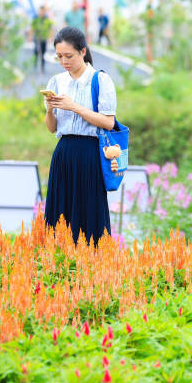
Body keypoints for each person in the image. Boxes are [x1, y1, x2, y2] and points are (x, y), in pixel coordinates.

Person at [43, 27, 117, 245]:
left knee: (88, 212)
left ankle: (93, 266)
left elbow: (108, 122)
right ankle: (60, 265)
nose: (64, 61)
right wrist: (49, 109)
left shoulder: (100, 80)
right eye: (59, 57)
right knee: (60, 215)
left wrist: (74, 107)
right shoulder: (56, 82)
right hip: (64, 153)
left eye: (69, 56)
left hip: (89, 154)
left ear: (83, 51)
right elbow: (51, 128)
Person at [32, 6, 53, 73]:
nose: (42, 12)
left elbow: (50, 28)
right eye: (41, 11)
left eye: (43, 11)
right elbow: (32, 27)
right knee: (36, 50)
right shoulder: (35, 18)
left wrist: (50, 37)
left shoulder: (46, 19)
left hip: (44, 38)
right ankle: (35, 64)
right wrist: (30, 36)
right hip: (37, 37)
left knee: (43, 52)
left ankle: (42, 66)